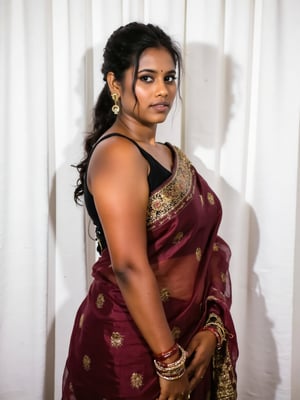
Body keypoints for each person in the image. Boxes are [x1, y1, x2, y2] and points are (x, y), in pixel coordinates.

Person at [62, 22, 238, 400]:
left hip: (184, 336)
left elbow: (206, 245)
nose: (163, 90)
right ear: (114, 83)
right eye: (147, 78)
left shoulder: (169, 154)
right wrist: (169, 361)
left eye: (169, 77)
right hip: (132, 348)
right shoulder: (117, 154)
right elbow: (128, 266)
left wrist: (211, 326)